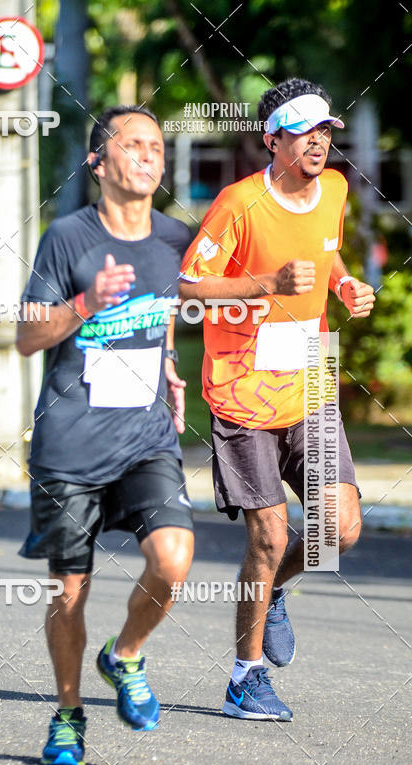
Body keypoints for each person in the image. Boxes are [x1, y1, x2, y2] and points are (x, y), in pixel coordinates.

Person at [179, 78, 375, 721]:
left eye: (325, 131)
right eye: (304, 131)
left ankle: (274, 591)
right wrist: (266, 282)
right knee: (270, 536)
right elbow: (187, 287)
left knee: (338, 531)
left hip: (312, 373)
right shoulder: (239, 203)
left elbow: (329, 253)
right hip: (241, 384)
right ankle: (245, 677)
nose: (318, 142)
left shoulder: (337, 192)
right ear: (274, 139)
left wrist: (344, 286)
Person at [17, 105, 194, 765]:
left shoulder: (176, 239)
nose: (149, 154)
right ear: (99, 161)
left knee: (173, 559)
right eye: (133, 143)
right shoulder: (67, 237)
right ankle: (68, 716)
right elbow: (27, 336)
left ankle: (125, 656)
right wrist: (86, 303)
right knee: (70, 592)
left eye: (157, 145)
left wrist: (169, 365)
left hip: (145, 437)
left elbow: (165, 308)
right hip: (70, 442)